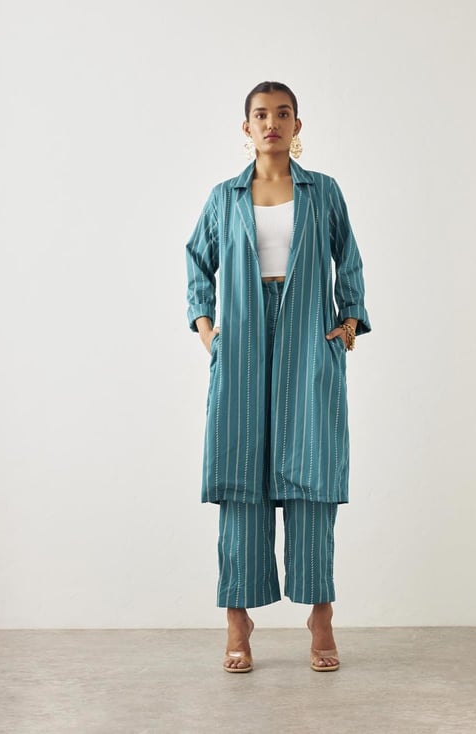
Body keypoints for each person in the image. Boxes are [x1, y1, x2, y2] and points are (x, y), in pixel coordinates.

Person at [185, 81, 371, 673]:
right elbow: (196, 260)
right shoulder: (225, 197)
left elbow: (349, 257)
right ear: (246, 128)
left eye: (282, 114)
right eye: (261, 115)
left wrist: (348, 324)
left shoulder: (323, 192)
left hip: (308, 337)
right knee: (241, 476)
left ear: (297, 125)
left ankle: (321, 615)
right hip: (241, 340)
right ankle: (237, 620)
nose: (272, 123)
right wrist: (207, 330)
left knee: (311, 475)